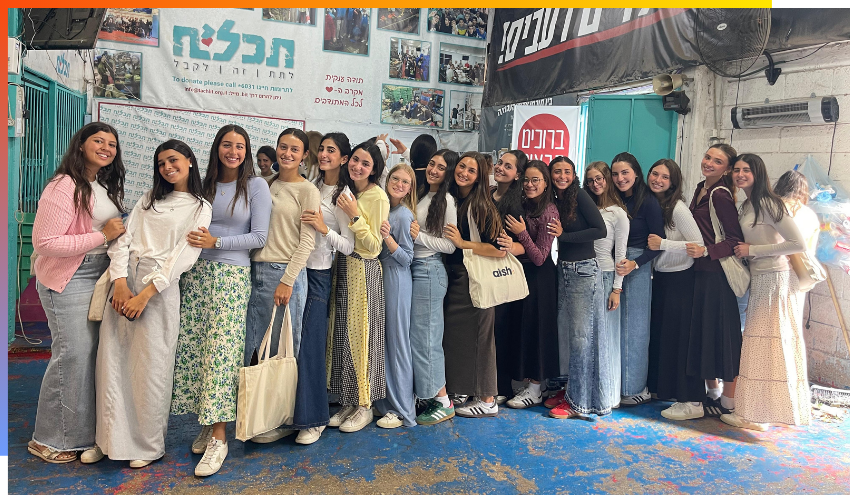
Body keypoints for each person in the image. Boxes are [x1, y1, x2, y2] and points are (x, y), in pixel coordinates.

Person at [96, 139, 212, 468]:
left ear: (190, 161)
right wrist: (120, 282)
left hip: (159, 290)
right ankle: (107, 441)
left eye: (173, 160)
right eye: (161, 163)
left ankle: (146, 447)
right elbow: (123, 239)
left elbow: (183, 256)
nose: (167, 167)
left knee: (151, 368)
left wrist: (145, 294)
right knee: (111, 363)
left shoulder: (200, 206)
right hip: (124, 283)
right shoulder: (149, 199)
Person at [169, 125, 271, 476]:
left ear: (247, 151)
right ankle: (206, 420)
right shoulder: (203, 185)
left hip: (231, 277)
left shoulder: (256, 186)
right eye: (227, 145)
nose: (233, 151)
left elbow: (259, 236)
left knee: (222, 354)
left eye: (240, 146)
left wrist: (217, 243)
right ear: (217, 148)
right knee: (196, 350)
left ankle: (219, 438)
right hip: (195, 274)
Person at [28, 123, 126, 465]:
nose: (106, 147)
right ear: (81, 145)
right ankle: (48, 439)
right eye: (98, 141)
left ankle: (80, 433)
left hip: (98, 274)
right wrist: (102, 236)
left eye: (112, 144)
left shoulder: (100, 184)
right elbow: (45, 243)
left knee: (89, 356)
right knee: (72, 354)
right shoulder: (63, 185)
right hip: (69, 277)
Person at [243, 128, 320, 443]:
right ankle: (260, 414)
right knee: (255, 347)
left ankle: (283, 418)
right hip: (256, 271)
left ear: (304, 156)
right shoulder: (266, 183)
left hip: (284, 274)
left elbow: (307, 242)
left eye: (294, 149)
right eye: (283, 147)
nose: (287, 154)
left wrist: (288, 280)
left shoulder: (307, 191)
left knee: (283, 349)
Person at [722, 154, 808, 431]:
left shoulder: (770, 203)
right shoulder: (747, 204)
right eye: (737, 169)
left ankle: (760, 415)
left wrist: (754, 250)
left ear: (758, 173)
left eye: (746, 170)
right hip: (759, 279)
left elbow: (798, 243)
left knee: (768, 345)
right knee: (760, 347)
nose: (740, 174)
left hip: (776, 279)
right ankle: (758, 412)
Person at [443, 152, 514, 418]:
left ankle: (487, 399)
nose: (464, 173)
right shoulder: (453, 199)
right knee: (460, 339)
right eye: (462, 166)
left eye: (471, 170)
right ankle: (465, 389)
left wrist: (464, 243)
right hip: (456, 277)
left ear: (479, 177)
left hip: (474, 277)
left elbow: (499, 250)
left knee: (481, 340)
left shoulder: (481, 205)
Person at [326, 141, 391, 433]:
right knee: (342, 335)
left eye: (365, 164)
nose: (358, 166)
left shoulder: (377, 196)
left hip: (364, 269)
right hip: (343, 266)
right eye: (355, 160)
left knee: (363, 337)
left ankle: (365, 405)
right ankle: (348, 400)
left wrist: (354, 215)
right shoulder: (349, 190)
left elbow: (375, 246)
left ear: (374, 170)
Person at [295, 133, 355, 445]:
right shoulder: (312, 185)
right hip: (294, 269)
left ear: (344, 158)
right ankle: (288, 416)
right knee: (292, 345)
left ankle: (314, 419)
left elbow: (349, 245)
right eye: (322, 149)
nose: (324, 154)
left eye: (331, 151)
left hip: (319, 273)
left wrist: (323, 228)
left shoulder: (343, 196)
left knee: (311, 346)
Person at [543, 157, 610, 418]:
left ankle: (579, 403)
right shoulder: (556, 199)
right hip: (564, 268)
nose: (562, 176)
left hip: (583, 270)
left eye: (567, 172)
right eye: (557, 171)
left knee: (582, 339)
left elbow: (600, 230)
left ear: (574, 175)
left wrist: (564, 236)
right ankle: (569, 390)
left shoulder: (580, 195)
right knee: (568, 336)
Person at [643, 159, 706, 420]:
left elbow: (698, 245)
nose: (657, 180)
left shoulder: (678, 208)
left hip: (681, 280)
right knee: (664, 338)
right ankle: (668, 391)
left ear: (673, 182)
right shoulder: (653, 204)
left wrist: (664, 244)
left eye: (664, 177)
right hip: (662, 279)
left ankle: (692, 401)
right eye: (654, 174)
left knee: (681, 341)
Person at [686, 144, 745, 417]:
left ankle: (729, 401)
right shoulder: (702, 188)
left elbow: (734, 239)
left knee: (723, 336)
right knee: (704, 334)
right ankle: (713, 392)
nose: (708, 163)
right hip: (700, 273)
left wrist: (706, 251)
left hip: (717, 275)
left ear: (727, 169)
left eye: (717, 161)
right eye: (707, 157)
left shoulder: (719, 194)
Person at [502, 160, 562, 410]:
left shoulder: (549, 211)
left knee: (539, 331)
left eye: (535, 180)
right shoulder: (525, 205)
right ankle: (532, 384)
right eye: (526, 179)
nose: (529, 184)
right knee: (525, 329)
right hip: (523, 274)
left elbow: (540, 256)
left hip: (541, 278)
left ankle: (536, 389)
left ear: (546, 183)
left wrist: (522, 232)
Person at [570, 161, 629, 410]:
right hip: (586, 274)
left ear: (607, 179)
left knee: (606, 340)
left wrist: (617, 288)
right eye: (590, 180)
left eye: (599, 178)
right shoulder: (586, 208)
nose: (595, 184)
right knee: (589, 340)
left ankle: (609, 395)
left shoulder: (617, 213)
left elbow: (621, 254)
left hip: (605, 276)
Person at [408, 150, 459, 425]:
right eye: (431, 164)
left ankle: (442, 400)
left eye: (441, 167)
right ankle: (428, 395)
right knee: (418, 338)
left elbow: (449, 245)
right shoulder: (422, 195)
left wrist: (419, 237)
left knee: (427, 338)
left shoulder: (447, 200)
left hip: (429, 270)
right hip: (414, 269)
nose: (434, 170)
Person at [611, 152, 664, 407]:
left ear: (636, 173)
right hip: (614, 262)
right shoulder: (612, 198)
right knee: (615, 328)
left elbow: (658, 244)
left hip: (637, 265)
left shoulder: (648, 201)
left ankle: (636, 387)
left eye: (625, 173)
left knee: (635, 328)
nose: (620, 178)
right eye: (615, 174)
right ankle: (617, 384)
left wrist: (636, 263)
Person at [373, 164, 417, 428]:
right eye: (396, 179)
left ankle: (402, 409)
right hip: (381, 277)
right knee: (384, 342)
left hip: (397, 279)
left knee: (398, 343)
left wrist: (387, 238)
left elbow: (407, 258)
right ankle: (386, 402)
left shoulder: (404, 215)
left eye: (405, 182)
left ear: (410, 189)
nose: (399, 184)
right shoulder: (383, 208)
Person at [491, 150, 528, 403]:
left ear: (517, 175)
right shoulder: (488, 194)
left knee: (501, 330)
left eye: (508, 166)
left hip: (504, 272)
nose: (500, 168)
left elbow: (522, 243)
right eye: (500, 163)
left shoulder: (516, 204)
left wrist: (512, 246)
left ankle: (502, 386)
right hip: (484, 268)